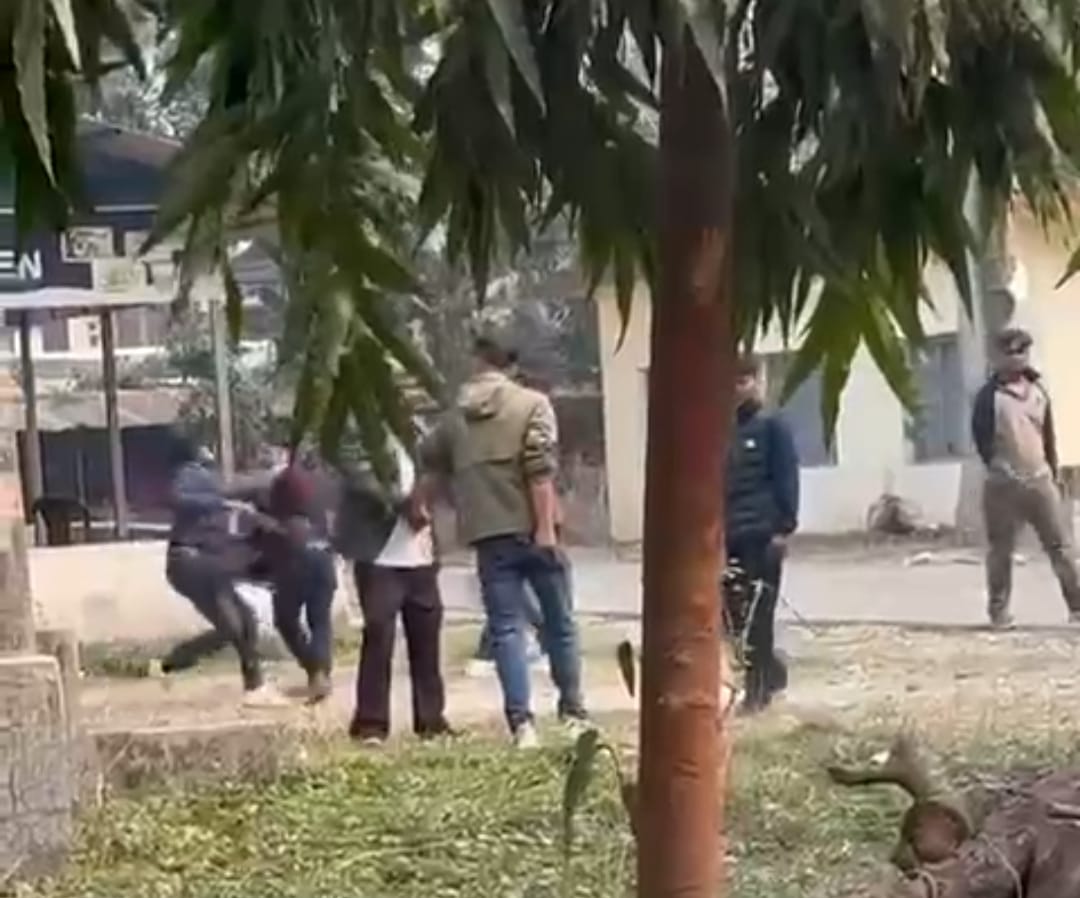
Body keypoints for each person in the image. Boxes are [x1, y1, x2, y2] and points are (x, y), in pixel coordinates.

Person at [418, 324, 587, 749]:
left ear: (476, 361)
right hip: (534, 529)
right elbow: (539, 469)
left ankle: (522, 724)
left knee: (506, 630)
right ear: (512, 365)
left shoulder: (455, 417)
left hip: (488, 535)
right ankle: (572, 711)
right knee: (560, 625)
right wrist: (546, 529)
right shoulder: (533, 404)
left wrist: (420, 506)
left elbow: (431, 463)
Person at [335, 428, 453, 744]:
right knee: (379, 638)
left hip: (421, 556)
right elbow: (359, 478)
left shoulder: (418, 433)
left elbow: (439, 472)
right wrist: (405, 504)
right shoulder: (360, 431)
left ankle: (431, 720)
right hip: (381, 558)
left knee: (426, 639)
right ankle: (371, 724)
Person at [161, 434, 285, 706]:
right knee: (236, 622)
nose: (211, 451)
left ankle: (180, 658)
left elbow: (233, 488)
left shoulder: (207, 478)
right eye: (205, 447)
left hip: (200, 561)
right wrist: (224, 502)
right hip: (192, 559)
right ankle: (254, 686)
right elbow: (180, 498)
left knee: (242, 622)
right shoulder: (190, 473)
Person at [972, 327, 1080, 628]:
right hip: (1003, 485)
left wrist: (1053, 474)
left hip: (1039, 480)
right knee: (1001, 551)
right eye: (1009, 352)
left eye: (1022, 351)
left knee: (1061, 547)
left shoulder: (1039, 392)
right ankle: (999, 612)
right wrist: (998, 466)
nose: (1016, 358)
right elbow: (982, 438)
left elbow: (1048, 438)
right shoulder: (988, 397)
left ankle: (1077, 607)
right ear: (997, 357)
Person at [725, 355, 799, 714]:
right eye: (733, 381)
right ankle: (771, 673)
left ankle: (758, 692)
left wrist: (784, 529)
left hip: (763, 535)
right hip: (730, 535)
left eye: (744, 381)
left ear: (757, 383)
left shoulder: (772, 427)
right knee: (734, 615)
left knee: (759, 615)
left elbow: (787, 479)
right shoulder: (723, 430)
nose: (738, 389)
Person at [258, 457, 337, 703]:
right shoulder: (320, 498)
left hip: (295, 565)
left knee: (285, 620)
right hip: (324, 558)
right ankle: (320, 672)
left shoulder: (281, 520)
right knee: (320, 621)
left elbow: (267, 552)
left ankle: (314, 668)